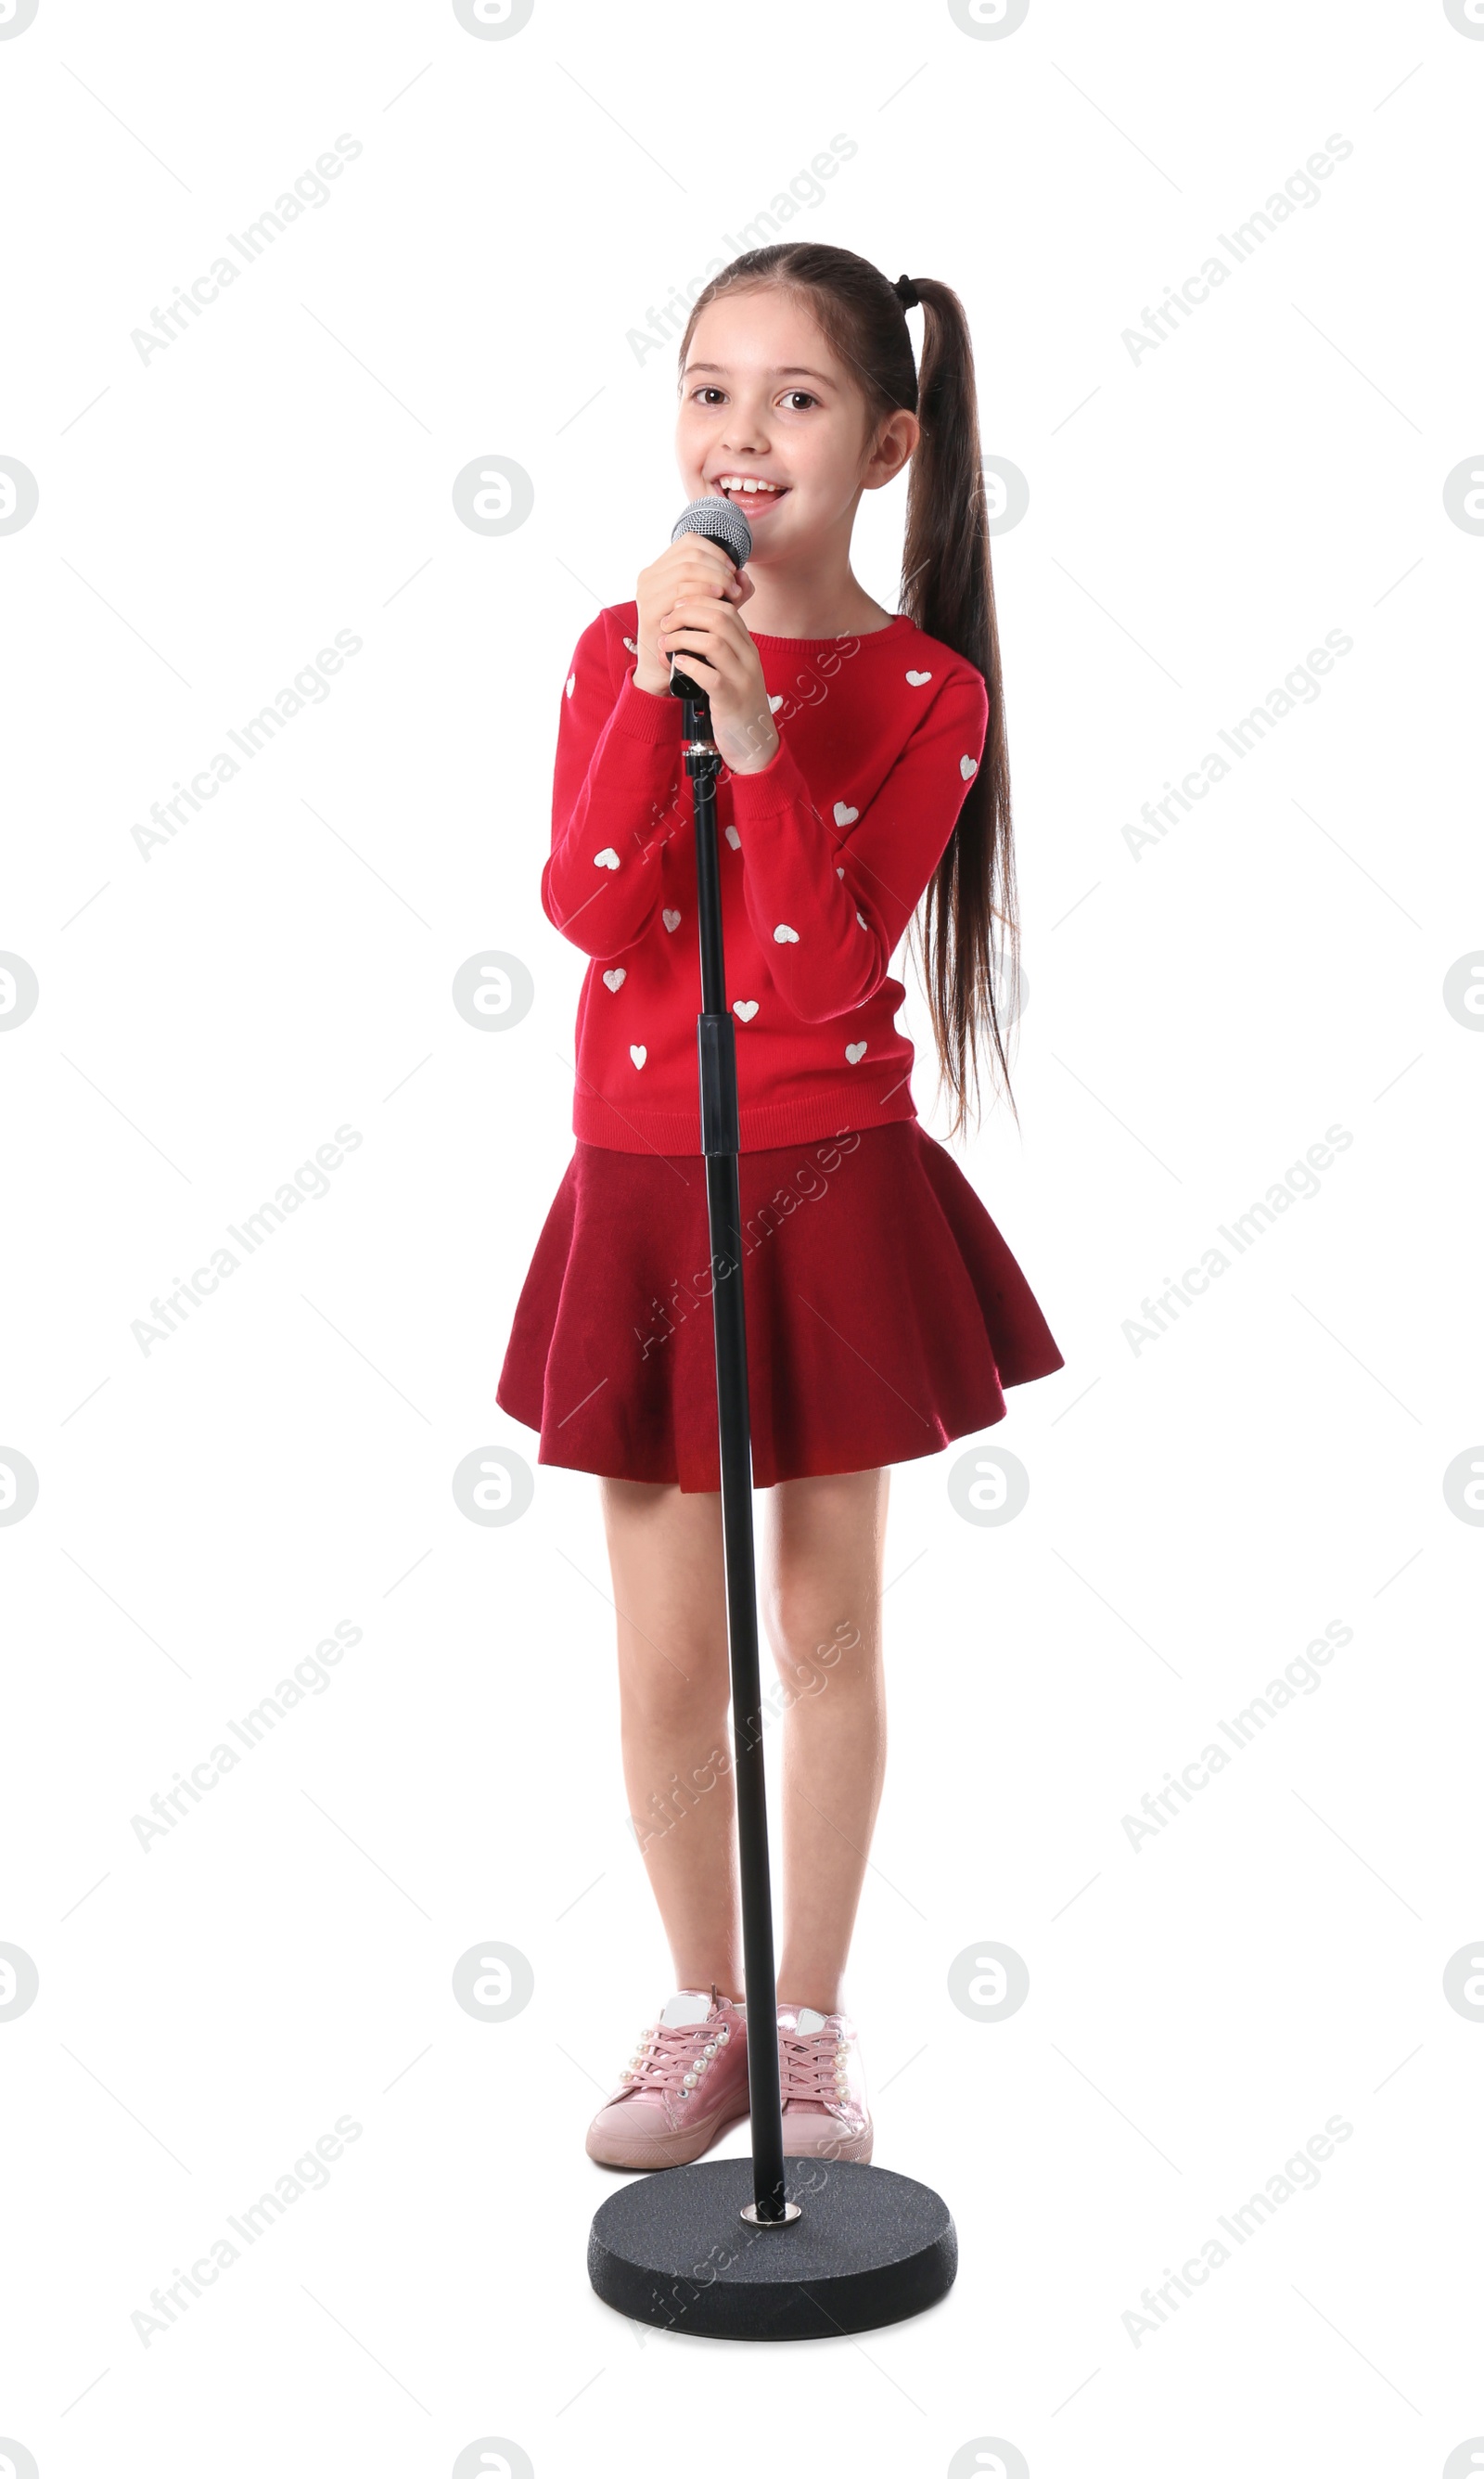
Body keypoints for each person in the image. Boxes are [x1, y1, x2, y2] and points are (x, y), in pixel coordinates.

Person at [496, 242, 1065, 2173]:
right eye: (706, 391)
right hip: (642, 1185)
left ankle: (807, 2028)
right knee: (664, 1647)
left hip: (822, 1182)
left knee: (818, 1628)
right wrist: (667, 689)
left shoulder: (922, 693)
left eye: (797, 399)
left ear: (886, 442)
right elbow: (590, 911)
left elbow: (824, 982)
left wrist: (754, 737)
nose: (741, 435)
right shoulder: (612, 643)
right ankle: (698, 2010)